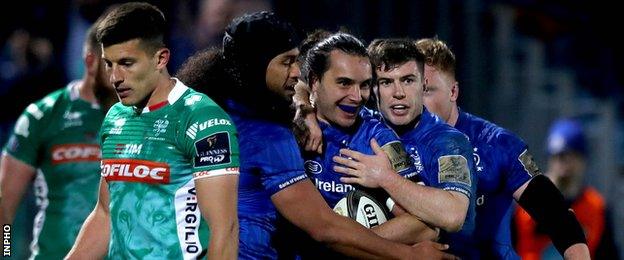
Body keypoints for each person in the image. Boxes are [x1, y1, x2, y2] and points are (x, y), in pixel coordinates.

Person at [177, 13, 454, 260]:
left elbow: (428, 224)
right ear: (314, 83)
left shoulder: (196, 110)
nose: (357, 97)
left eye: (365, 85)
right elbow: (323, 227)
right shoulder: (274, 134)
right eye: (286, 62)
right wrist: (405, 255)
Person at [66, 3, 240, 259]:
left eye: (126, 63)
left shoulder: (202, 119)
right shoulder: (115, 118)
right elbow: (105, 213)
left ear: (160, 58)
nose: (115, 77)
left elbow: (225, 230)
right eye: (109, 64)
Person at [415, 37, 590, 259]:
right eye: (414, 90)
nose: (417, 102)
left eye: (428, 91)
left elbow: (554, 214)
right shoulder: (391, 144)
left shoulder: (496, 144)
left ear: (453, 92)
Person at [331, 38, 478, 258]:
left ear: (423, 85)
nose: (398, 92)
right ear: (373, 88)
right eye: (386, 82)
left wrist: (384, 177)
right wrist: (304, 110)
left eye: (408, 80)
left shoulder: (449, 142)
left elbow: (452, 215)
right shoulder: (357, 125)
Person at [0, 13, 117, 259]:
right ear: (90, 62)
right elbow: (5, 207)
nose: (120, 74)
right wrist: (6, 252)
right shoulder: (42, 116)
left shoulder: (140, 117)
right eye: (112, 64)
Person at [514, 118, 620, 260]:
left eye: (572, 156)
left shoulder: (597, 209)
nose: (565, 164)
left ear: (583, 160)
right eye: (559, 156)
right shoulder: (522, 204)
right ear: (550, 158)